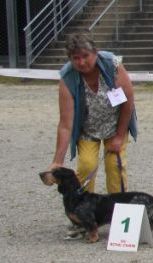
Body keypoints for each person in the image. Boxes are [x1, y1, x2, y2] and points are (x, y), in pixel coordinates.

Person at [51, 33, 137, 193]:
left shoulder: (112, 64)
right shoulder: (67, 78)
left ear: (95, 53)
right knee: (86, 165)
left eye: (85, 56)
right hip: (87, 130)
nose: (82, 62)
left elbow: (128, 102)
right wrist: (58, 161)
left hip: (115, 126)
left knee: (114, 166)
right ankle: (82, 208)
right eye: (76, 58)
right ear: (70, 59)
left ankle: (117, 208)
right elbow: (65, 125)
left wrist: (119, 136)